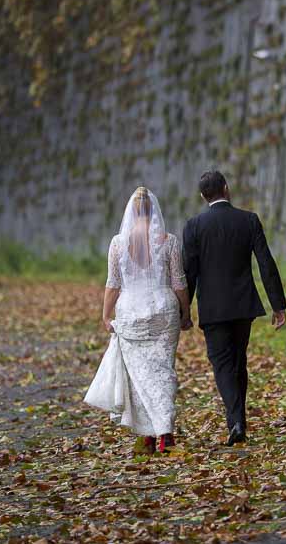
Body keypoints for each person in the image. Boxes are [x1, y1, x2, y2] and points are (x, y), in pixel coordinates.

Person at [84, 187, 193, 454]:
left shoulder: (118, 244)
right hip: (163, 312)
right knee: (162, 371)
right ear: (154, 209)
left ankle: (147, 437)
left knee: (138, 376)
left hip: (131, 312)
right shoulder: (169, 242)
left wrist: (105, 314)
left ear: (130, 211)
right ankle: (165, 434)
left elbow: (113, 284)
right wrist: (186, 312)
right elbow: (178, 282)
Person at [182, 171, 286, 446]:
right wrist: (277, 304)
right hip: (243, 306)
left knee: (222, 365)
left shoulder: (193, 226)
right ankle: (238, 421)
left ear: (203, 196)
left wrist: (184, 311)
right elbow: (266, 262)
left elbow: (188, 272)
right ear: (226, 189)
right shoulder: (248, 220)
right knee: (239, 362)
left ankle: (236, 421)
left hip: (213, 309)